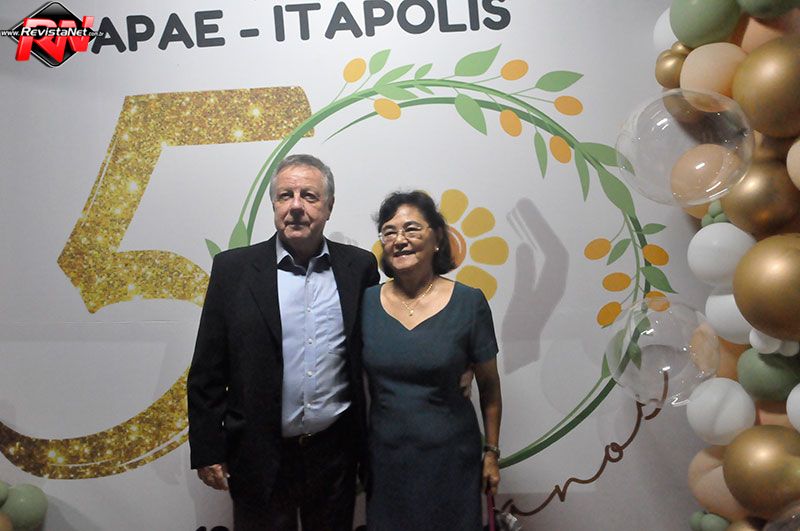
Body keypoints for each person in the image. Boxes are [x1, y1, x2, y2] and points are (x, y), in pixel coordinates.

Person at [187, 154, 380, 531]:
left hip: (335, 454)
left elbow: (381, 339)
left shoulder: (359, 268)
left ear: (329, 206)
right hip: (258, 453)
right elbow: (208, 370)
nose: (295, 206)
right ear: (274, 204)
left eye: (309, 195)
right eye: (285, 195)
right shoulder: (233, 270)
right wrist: (208, 448)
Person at [361, 190, 503, 530]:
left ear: (437, 238)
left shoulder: (469, 303)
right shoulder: (364, 302)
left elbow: (490, 388)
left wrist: (491, 452)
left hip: (452, 461)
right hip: (385, 463)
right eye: (389, 232)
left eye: (411, 229)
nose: (399, 240)